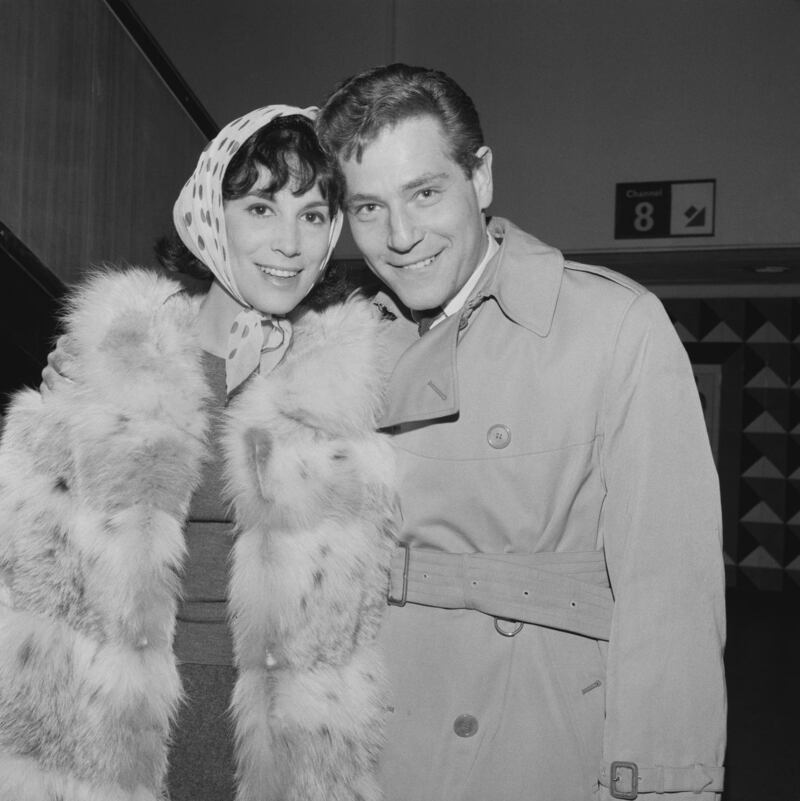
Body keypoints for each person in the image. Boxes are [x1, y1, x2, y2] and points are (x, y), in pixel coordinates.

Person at [315, 63, 727, 801]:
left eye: (426, 192)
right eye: (369, 207)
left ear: (481, 178)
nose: (401, 236)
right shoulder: (346, 345)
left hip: (541, 743)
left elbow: (671, 597)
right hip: (374, 751)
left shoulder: (612, 326)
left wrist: (663, 786)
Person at [1, 105, 395, 801]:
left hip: (287, 749)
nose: (289, 241)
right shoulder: (111, 369)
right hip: (107, 736)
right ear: (211, 215)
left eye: (312, 215)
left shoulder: (350, 392)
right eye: (259, 206)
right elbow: (25, 590)